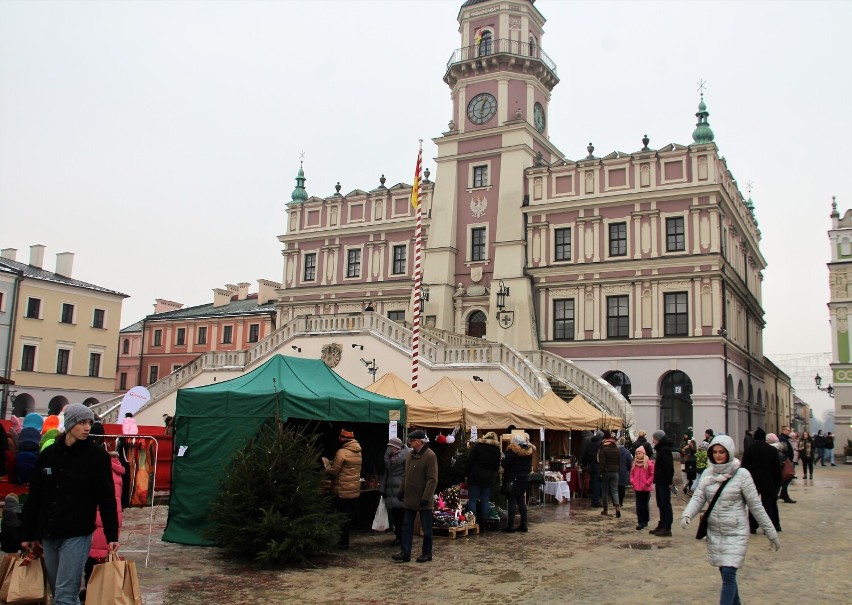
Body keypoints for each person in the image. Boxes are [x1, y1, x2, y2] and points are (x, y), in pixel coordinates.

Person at [20, 403, 119, 605]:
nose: (87, 428)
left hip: (77, 532)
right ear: (71, 423)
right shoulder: (48, 455)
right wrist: (28, 533)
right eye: (82, 422)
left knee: (65, 595)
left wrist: (111, 534)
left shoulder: (96, 456)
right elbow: (36, 495)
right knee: (59, 593)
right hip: (49, 532)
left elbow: (106, 497)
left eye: (89, 423)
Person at [681, 435, 780, 605]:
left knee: (728, 575)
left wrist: (771, 533)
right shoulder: (707, 474)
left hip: (736, 531)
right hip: (715, 532)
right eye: (715, 452)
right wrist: (687, 514)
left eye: (722, 452)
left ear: (729, 452)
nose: (718, 455)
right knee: (727, 575)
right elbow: (698, 497)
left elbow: (756, 506)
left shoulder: (742, 475)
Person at [81, 422, 125, 602]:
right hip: (111, 517)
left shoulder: (92, 462)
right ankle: (99, 589)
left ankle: (91, 589)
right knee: (102, 557)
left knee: (90, 558)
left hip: (96, 516)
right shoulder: (116, 466)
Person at [393, 429, 438, 563]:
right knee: (406, 526)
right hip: (410, 498)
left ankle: (427, 553)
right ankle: (405, 552)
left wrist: (426, 497)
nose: (410, 443)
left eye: (412, 440)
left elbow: (432, 479)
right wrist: (401, 491)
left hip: (423, 498)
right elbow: (405, 475)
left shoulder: (430, 456)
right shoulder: (410, 455)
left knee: (426, 529)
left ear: (420, 442)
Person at [325, 428, 362, 549]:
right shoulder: (358, 451)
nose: (338, 438)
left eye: (341, 436)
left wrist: (327, 465)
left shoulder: (342, 452)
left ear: (344, 439)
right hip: (353, 488)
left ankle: (343, 541)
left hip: (341, 489)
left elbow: (334, 471)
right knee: (347, 515)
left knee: (341, 516)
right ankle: (345, 541)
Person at [740, 428, 781, 532]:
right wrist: (777, 483)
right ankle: (768, 526)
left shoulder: (749, 449)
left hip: (752, 482)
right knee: (768, 505)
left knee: (753, 504)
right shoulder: (772, 450)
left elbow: (744, 466)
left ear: (755, 438)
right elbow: (777, 468)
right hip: (768, 481)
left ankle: (753, 526)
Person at [465, 431, 501, 532]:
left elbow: (470, 461)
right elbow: (496, 467)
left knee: (473, 500)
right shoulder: (496, 450)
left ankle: (472, 523)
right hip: (488, 477)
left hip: (475, 476)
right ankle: (484, 525)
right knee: (485, 500)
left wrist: (467, 473)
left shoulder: (478, 446)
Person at [501, 433, 535, 533]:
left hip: (512, 478)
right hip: (523, 479)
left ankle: (510, 526)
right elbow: (529, 468)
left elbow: (505, 464)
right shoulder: (528, 452)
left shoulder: (511, 451)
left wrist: (502, 460)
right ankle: (524, 525)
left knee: (512, 501)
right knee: (521, 501)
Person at [379, 436, 409, 547]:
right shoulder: (389, 458)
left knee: (402, 516)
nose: (388, 448)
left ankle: (403, 538)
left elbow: (407, 474)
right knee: (395, 516)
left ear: (396, 447)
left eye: (390, 446)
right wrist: (383, 488)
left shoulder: (405, 458)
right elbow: (386, 474)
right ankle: (398, 536)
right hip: (390, 491)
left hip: (400, 490)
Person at [649, 430, 674, 537]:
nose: (653, 441)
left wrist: (669, 482)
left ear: (658, 439)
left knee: (665, 504)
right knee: (660, 504)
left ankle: (667, 527)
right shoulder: (661, 449)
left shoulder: (665, 450)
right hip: (660, 481)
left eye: (654, 439)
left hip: (664, 481)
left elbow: (669, 467)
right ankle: (662, 524)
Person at [597, 430, 621, 518]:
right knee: (614, 491)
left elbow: (602, 463)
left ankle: (605, 509)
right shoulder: (617, 450)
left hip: (606, 472)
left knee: (605, 491)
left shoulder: (603, 449)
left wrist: (600, 473)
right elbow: (619, 462)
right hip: (615, 472)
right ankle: (617, 508)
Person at [629, 448, 655, 530]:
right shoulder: (634, 464)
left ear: (643, 454)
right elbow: (631, 473)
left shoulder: (649, 463)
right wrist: (632, 481)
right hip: (637, 487)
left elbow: (652, 474)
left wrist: (648, 482)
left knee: (644, 505)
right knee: (639, 505)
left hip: (645, 488)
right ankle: (640, 521)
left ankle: (645, 520)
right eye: (637, 454)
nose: (638, 455)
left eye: (639, 453)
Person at [767, 433, 795, 505]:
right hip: (779, 468)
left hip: (775, 469)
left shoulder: (771, 448)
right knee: (780, 484)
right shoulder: (778, 447)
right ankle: (782, 496)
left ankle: (782, 496)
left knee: (778, 484)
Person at [581, 430, 603, 507]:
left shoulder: (590, 443)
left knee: (593, 482)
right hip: (597, 465)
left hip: (591, 465)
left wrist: (585, 464)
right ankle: (595, 502)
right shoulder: (600, 444)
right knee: (597, 483)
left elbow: (585, 454)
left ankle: (594, 500)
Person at [777, 427, 796, 503]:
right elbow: (783, 449)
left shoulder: (785, 438)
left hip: (786, 460)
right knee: (787, 476)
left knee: (787, 477)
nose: (789, 432)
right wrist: (785, 458)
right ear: (783, 430)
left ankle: (783, 494)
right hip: (784, 461)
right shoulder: (782, 438)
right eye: (788, 430)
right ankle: (784, 495)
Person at [617, 437, 633, 507]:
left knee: (615, 487)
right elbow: (629, 463)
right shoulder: (627, 452)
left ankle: (616, 501)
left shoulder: (615, 451)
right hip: (623, 471)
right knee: (622, 488)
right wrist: (629, 471)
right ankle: (620, 502)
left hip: (615, 470)